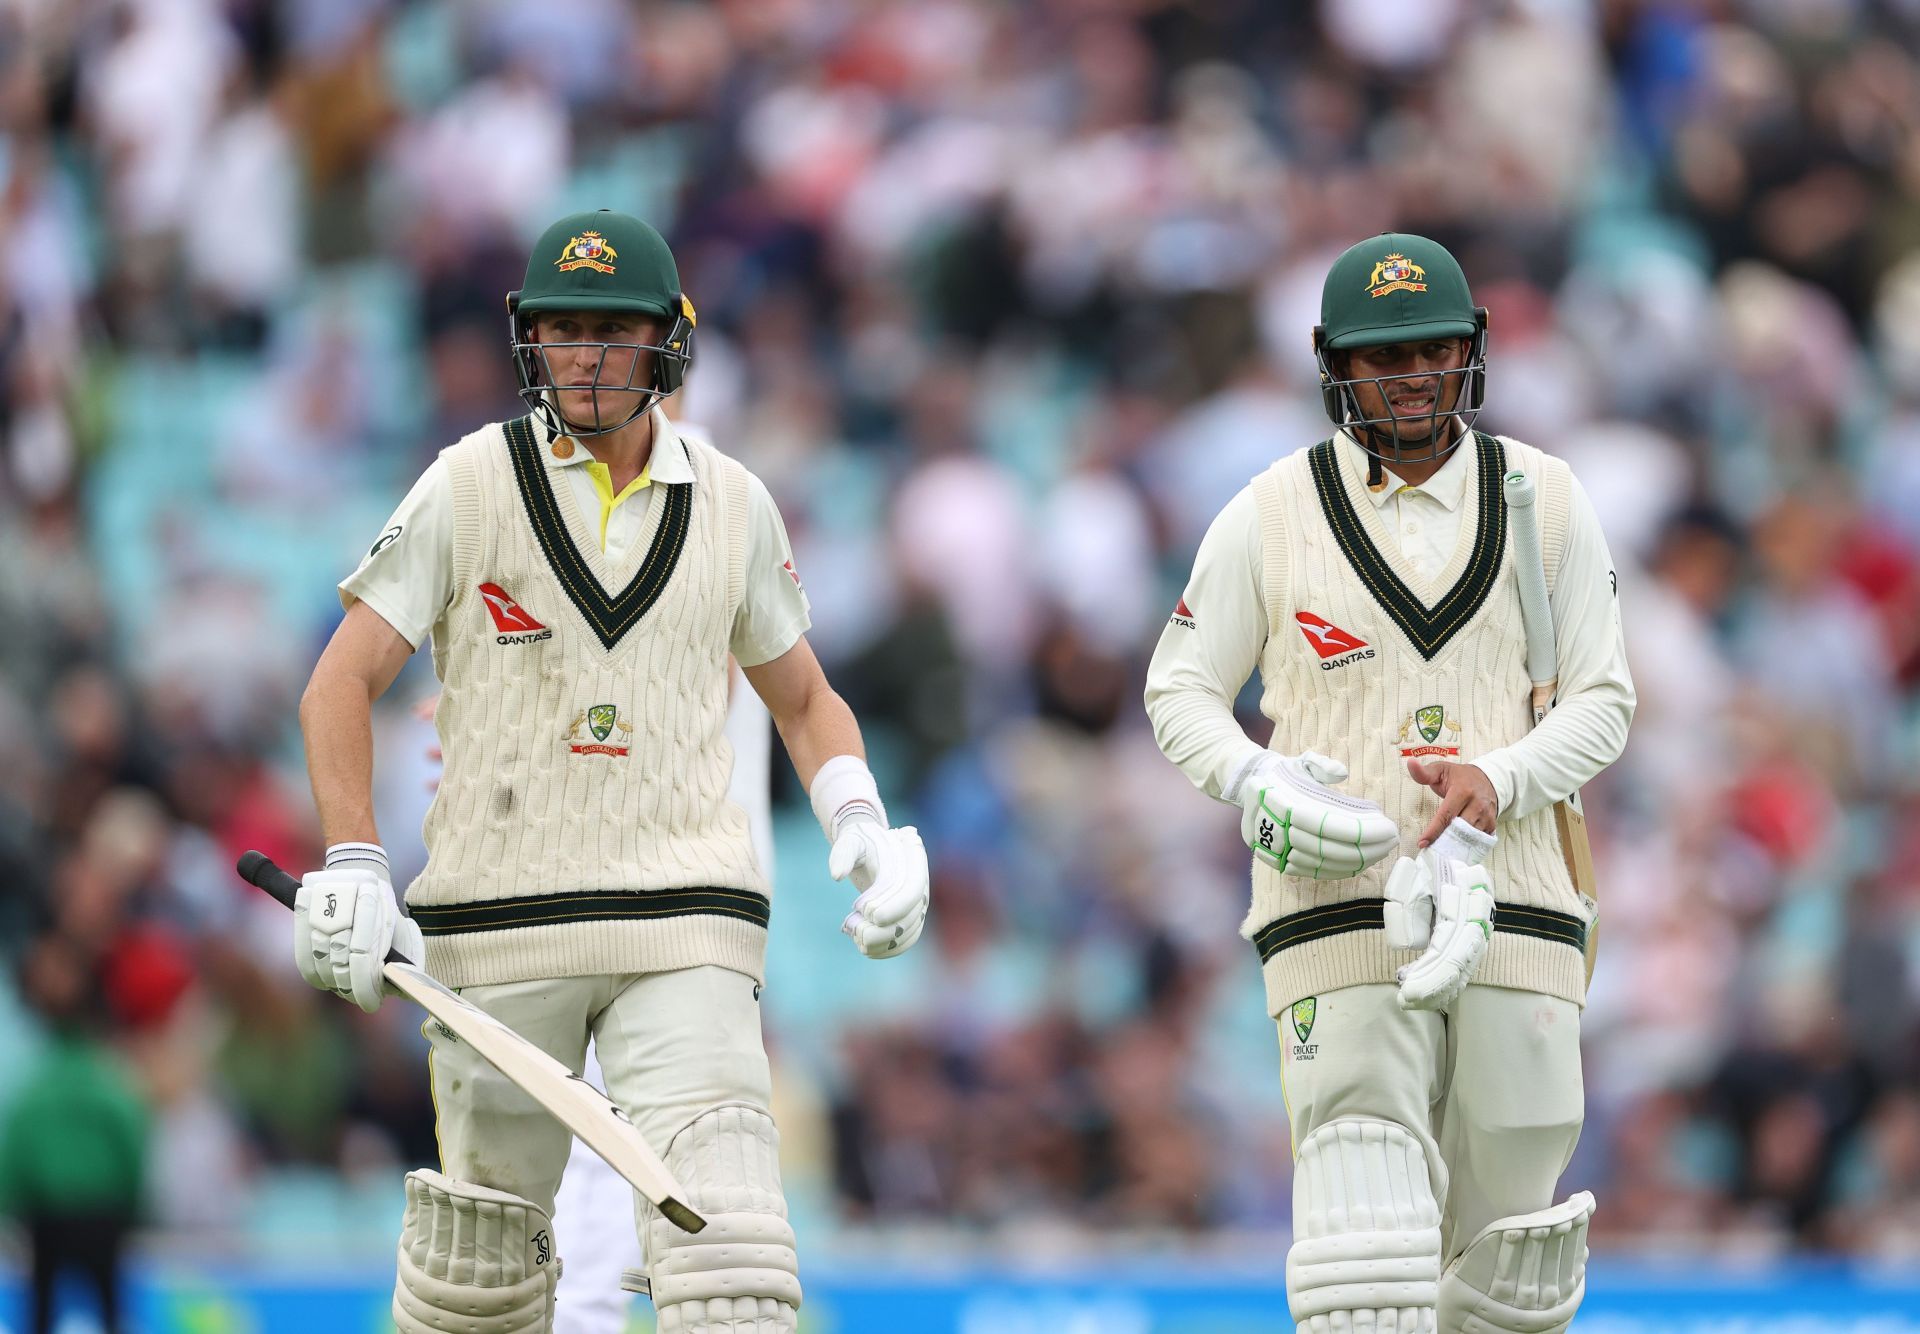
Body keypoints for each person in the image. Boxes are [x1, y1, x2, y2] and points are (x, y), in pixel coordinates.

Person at [292, 209, 930, 1334]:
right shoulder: (469, 482)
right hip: (502, 919)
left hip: (686, 914)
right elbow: (338, 683)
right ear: (530, 340)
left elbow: (805, 697)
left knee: (731, 1266)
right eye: (565, 329)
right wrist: (353, 854)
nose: (585, 356)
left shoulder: (733, 502)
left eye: (612, 331)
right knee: (475, 1281)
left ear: (667, 344)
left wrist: (862, 815)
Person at [1144, 233, 1632, 1333]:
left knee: (1516, 1273)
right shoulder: (1271, 510)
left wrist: (1501, 777)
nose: (1414, 375)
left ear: (1471, 350)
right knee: (1365, 1254)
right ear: (1335, 363)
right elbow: (1178, 686)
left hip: (1518, 909)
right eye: (1385, 355)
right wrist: (1254, 775)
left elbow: (1606, 699)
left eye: (1435, 348)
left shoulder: (1543, 497)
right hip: (1336, 911)